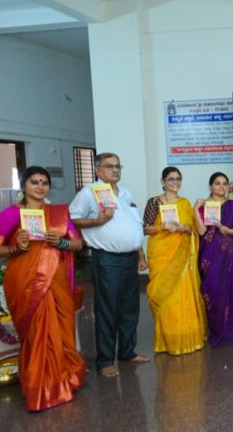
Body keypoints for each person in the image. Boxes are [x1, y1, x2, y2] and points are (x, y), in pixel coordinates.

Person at [0, 167, 85, 411]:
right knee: (38, 333)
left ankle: (64, 380)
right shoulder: (10, 214)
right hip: (26, 283)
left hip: (56, 279)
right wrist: (17, 247)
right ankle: (41, 388)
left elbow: (77, 243)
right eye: (34, 182)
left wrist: (61, 242)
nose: (40, 186)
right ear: (24, 186)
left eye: (44, 182)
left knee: (61, 329)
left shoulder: (58, 213)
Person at [69, 153, 150, 378]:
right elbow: (73, 218)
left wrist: (140, 254)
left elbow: (135, 225)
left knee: (130, 308)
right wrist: (98, 221)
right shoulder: (89, 193)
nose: (115, 170)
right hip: (107, 260)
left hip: (130, 258)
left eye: (118, 166)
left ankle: (127, 352)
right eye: (109, 166)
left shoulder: (125, 193)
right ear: (97, 170)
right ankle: (105, 360)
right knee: (108, 310)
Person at [143, 167, 206, 355]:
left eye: (178, 179)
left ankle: (187, 336)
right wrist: (163, 226)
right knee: (162, 294)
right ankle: (168, 339)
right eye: (170, 179)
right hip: (161, 253)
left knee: (182, 293)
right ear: (162, 181)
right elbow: (145, 229)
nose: (175, 182)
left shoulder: (185, 203)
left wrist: (185, 228)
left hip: (182, 254)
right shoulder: (155, 201)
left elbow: (193, 229)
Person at [193, 172, 233, 347]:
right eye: (217, 183)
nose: (221, 186)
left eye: (224, 183)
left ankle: (232, 330)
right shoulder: (203, 205)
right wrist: (195, 210)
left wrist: (228, 230)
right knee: (212, 289)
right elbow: (201, 231)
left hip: (229, 254)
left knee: (230, 290)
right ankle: (216, 330)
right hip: (209, 254)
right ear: (210, 186)